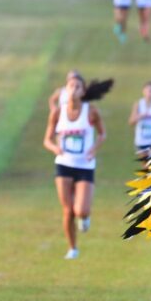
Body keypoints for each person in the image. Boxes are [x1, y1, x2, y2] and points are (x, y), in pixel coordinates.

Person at [43, 72, 110, 259]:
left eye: (77, 86)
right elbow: (47, 140)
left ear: (83, 92)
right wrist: (55, 148)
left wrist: (94, 149)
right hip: (64, 165)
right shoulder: (58, 112)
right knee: (67, 210)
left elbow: (103, 134)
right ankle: (72, 248)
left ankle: (85, 217)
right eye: (70, 85)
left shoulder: (91, 111)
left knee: (80, 210)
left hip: (84, 165)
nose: (73, 89)